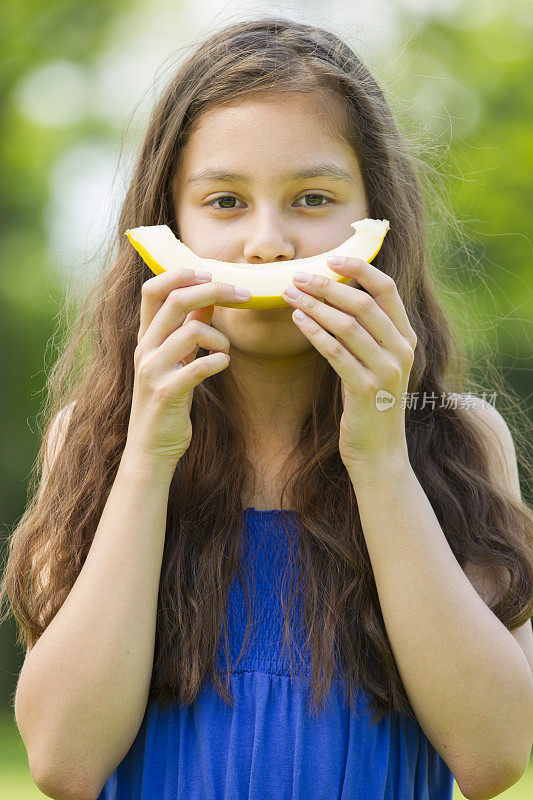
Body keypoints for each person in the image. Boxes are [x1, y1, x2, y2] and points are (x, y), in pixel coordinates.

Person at [2, 16, 533, 800]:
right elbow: (63, 761)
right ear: (165, 223)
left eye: (311, 198)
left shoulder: (458, 440)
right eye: (223, 201)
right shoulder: (95, 440)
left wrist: (381, 462)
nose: (267, 244)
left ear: (373, 219)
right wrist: (147, 457)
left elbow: (493, 757)